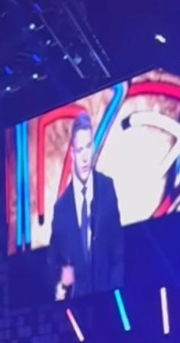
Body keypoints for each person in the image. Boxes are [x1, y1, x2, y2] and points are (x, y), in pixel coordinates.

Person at [49, 112, 124, 301]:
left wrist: (113, 292)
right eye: (79, 149)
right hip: (78, 308)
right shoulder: (61, 209)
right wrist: (60, 284)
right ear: (72, 153)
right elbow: (53, 262)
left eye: (88, 147)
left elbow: (118, 251)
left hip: (110, 302)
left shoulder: (107, 189)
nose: (84, 157)